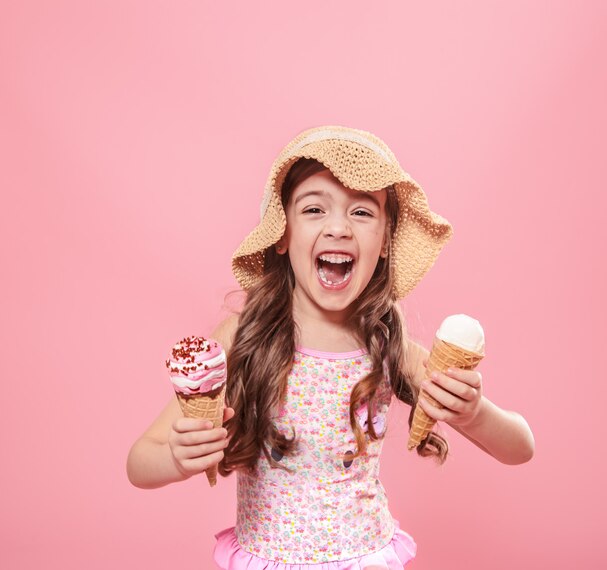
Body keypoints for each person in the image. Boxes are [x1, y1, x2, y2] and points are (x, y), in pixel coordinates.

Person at [127, 126, 535, 569]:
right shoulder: (242, 335)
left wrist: (473, 413)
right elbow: (139, 462)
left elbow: (519, 448)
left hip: (363, 558)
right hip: (269, 558)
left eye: (362, 212)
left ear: (384, 243)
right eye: (315, 208)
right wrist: (175, 457)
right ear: (282, 235)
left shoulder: (386, 340)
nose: (338, 227)